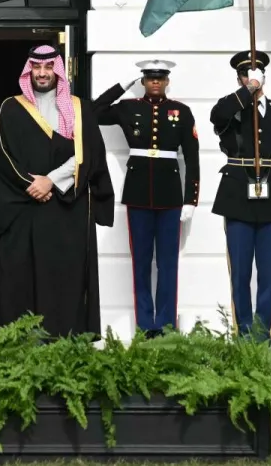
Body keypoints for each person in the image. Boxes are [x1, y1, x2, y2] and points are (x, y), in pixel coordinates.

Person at [0, 46, 113, 336]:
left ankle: (64, 340)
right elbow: (1, 156)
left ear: (58, 70)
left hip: (66, 210)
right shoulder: (11, 106)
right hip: (24, 209)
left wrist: (51, 181)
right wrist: (31, 185)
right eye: (36, 67)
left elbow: (89, 153)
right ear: (28, 71)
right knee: (21, 276)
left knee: (64, 277)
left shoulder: (79, 108)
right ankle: (20, 341)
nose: (42, 74)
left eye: (48, 68)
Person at [94, 60, 199, 336]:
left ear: (167, 81)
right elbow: (93, 112)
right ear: (142, 81)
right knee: (140, 263)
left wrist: (191, 200)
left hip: (170, 197)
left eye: (160, 78)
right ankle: (145, 325)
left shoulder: (182, 112)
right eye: (150, 78)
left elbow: (192, 158)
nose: (155, 82)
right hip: (139, 194)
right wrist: (121, 86)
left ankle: (165, 325)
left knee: (167, 264)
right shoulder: (129, 108)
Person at [210, 51, 271, 337]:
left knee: (269, 275)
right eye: (246, 75)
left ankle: (262, 333)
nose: (253, 79)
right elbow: (218, 116)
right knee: (240, 273)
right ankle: (244, 331)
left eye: (256, 75)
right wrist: (246, 91)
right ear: (239, 78)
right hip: (238, 198)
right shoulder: (231, 108)